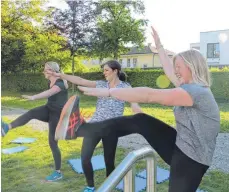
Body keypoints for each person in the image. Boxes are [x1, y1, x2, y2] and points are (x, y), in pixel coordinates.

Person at [57, 27, 220, 192]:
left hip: (192, 160)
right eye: (175, 67)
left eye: (179, 67)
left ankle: (81, 129)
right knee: (141, 120)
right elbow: (168, 70)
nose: (176, 71)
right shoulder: (188, 86)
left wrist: (109, 92)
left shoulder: (197, 92)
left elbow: (149, 95)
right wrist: (160, 46)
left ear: (192, 67)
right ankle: (81, 128)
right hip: (180, 145)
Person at [50, 60, 142, 192]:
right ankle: (90, 186)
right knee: (85, 158)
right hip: (94, 126)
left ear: (115, 71)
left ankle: (109, 185)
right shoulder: (101, 84)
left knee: (109, 161)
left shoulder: (126, 87)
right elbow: (80, 80)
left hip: (112, 128)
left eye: (106, 70)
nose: (104, 73)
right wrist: (60, 75)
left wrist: (137, 109)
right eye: (103, 70)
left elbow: (134, 102)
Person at [1, 61, 68, 182]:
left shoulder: (60, 83)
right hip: (49, 109)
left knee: (53, 143)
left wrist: (34, 97)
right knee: (31, 113)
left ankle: (58, 172)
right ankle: (7, 127)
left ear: (52, 71)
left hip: (57, 115)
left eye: (46, 69)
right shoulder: (50, 81)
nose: (43, 71)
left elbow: (49, 93)